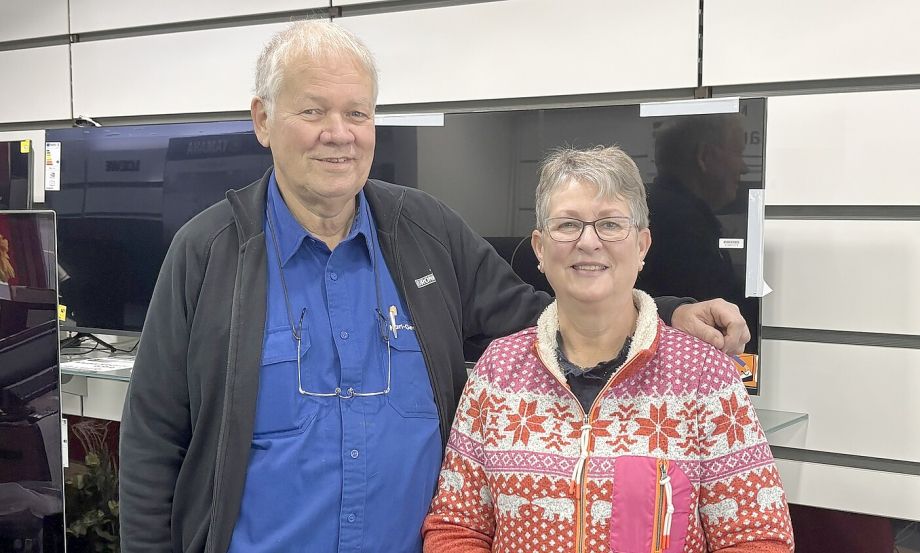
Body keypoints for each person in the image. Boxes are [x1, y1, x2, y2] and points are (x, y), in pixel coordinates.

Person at [118, 21, 752, 553]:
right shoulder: (207, 253)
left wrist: (668, 314)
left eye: (357, 113)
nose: (339, 133)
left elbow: (538, 318)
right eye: (312, 111)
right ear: (263, 119)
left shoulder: (425, 230)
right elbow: (151, 437)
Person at [422, 146, 793, 552]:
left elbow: (758, 538)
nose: (588, 242)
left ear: (642, 246)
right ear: (540, 249)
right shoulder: (497, 372)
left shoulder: (704, 378)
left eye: (611, 224)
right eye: (567, 224)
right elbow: (457, 527)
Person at [637, 113, 748, 304]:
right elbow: (714, 306)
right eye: (738, 153)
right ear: (705, 157)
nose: (745, 168)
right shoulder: (681, 225)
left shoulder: (656, 208)